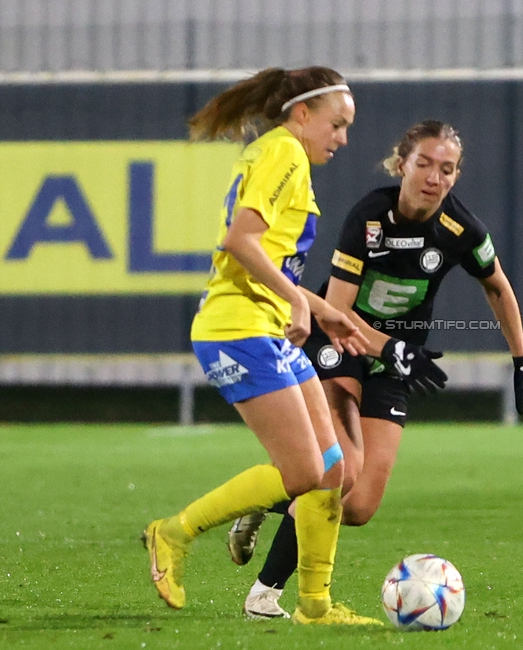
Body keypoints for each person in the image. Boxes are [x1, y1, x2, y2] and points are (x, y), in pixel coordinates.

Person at [225, 119, 523, 619]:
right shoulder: (370, 217)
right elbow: (337, 311)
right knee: (341, 472)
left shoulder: (462, 230)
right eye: (424, 164)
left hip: (395, 360)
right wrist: (389, 347)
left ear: (456, 176)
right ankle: (265, 596)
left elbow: (497, 286)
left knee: (359, 505)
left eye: (447, 169)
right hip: (341, 346)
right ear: (402, 165)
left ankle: (269, 497)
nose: (434, 177)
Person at [141, 66, 383, 625]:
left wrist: (322, 310)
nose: (343, 137)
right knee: (302, 474)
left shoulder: (279, 153)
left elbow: (267, 259)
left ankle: (314, 607)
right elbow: (240, 241)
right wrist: (301, 304)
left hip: (266, 325)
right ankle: (173, 534)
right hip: (237, 329)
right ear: (302, 114)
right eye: (337, 124)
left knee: (336, 471)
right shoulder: (285, 154)